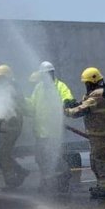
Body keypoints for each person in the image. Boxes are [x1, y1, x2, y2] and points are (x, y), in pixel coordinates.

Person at [64, 67, 105, 199]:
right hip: (99, 134)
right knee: (95, 161)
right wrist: (74, 104)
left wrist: (66, 111)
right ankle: (102, 186)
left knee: (99, 162)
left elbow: (81, 111)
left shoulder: (97, 95)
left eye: (87, 83)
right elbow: (83, 104)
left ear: (92, 82)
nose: (86, 85)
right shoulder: (96, 94)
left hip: (102, 135)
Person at [26, 61, 76, 192]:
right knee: (41, 158)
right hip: (41, 131)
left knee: (54, 157)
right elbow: (32, 105)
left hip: (54, 132)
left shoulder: (60, 86)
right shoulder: (39, 88)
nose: (46, 76)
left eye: (48, 73)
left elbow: (67, 97)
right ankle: (48, 181)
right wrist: (21, 102)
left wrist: (68, 101)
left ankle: (63, 176)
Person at [0, 64, 29, 188]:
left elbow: (11, 108)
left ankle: (12, 180)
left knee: (2, 153)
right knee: (2, 153)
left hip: (11, 125)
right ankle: (19, 171)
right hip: (7, 125)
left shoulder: (11, 89)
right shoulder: (6, 88)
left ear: (7, 78)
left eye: (1, 78)